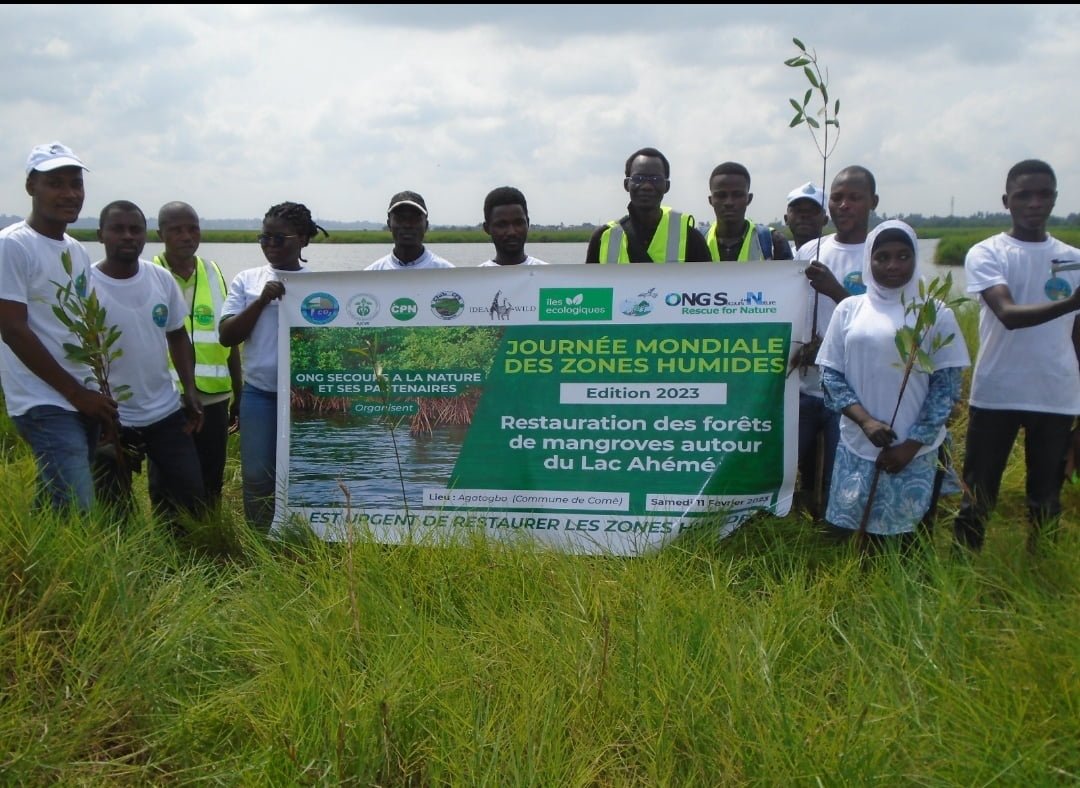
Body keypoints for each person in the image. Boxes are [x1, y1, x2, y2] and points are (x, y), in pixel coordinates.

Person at [817, 220, 970, 551]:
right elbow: (830, 375)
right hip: (858, 444)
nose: (892, 266)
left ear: (916, 259)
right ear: (868, 261)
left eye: (903, 256)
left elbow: (946, 389)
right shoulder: (849, 309)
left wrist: (910, 446)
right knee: (859, 540)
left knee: (911, 543)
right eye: (882, 257)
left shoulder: (934, 313)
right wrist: (866, 421)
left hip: (917, 452)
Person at [952, 159, 1080, 553]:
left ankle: (1040, 568)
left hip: (1055, 395)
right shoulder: (987, 253)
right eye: (1024, 195)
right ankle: (962, 567)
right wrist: (1072, 302)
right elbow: (1006, 314)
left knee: (1046, 499)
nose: (1034, 203)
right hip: (997, 393)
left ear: (1055, 199)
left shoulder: (1074, 258)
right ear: (1007, 200)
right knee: (978, 495)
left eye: (1044, 194)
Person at [0, 141, 119, 513]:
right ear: (30, 187)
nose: (69, 194)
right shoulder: (12, 246)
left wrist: (98, 396)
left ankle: (30, 567)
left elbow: (85, 329)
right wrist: (76, 394)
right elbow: (12, 329)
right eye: (56, 183)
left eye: (76, 183)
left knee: (54, 503)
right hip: (43, 399)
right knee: (76, 506)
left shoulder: (76, 250)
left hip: (80, 396)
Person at [90, 200, 207, 532]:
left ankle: (185, 560)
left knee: (189, 495)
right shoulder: (85, 285)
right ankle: (128, 567)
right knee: (114, 508)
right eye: (118, 229)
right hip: (111, 415)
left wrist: (191, 391)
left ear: (145, 236)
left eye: (135, 229)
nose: (128, 236)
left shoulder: (160, 279)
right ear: (101, 235)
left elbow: (178, 335)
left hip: (164, 410)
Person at [220, 202, 328, 531]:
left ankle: (305, 537)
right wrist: (262, 300)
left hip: (304, 396)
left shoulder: (321, 285)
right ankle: (260, 541)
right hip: (260, 394)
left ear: (304, 240)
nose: (270, 246)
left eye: (280, 238)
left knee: (305, 471)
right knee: (256, 474)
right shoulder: (248, 280)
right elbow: (227, 336)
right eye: (264, 238)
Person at [792, 165, 880, 520]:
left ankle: (838, 536)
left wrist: (836, 291)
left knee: (840, 476)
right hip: (803, 386)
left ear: (873, 202)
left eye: (854, 198)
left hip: (851, 392)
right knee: (793, 469)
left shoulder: (881, 253)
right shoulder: (810, 250)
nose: (844, 205)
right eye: (837, 198)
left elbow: (882, 322)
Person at [150, 201, 242, 509]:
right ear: (160, 233)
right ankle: (168, 542)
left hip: (214, 397)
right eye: (176, 230)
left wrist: (238, 395)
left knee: (211, 476)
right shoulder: (148, 275)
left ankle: (210, 534)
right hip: (167, 398)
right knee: (167, 479)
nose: (186, 236)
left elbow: (227, 338)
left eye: (193, 228)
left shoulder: (213, 272)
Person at [585, 147, 710, 264]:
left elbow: (708, 285)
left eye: (655, 179)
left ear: (667, 186)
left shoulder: (691, 238)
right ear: (626, 184)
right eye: (639, 178)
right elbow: (589, 286)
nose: (646, 186)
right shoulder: (603, 237)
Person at [704, 162, 794, 261]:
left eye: (737, 195)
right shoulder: (696, 241)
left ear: (749, 198)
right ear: (710, 200)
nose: (729, 202)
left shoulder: (773, 242)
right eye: (721, 195)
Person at [365, 191, 454, 270]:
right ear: (389, 224)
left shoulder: (448, 274)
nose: (407, 225)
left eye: (415, 219)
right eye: (400, 218)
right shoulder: (370, 276)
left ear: (426, 225)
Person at [478, 186, 549, 266]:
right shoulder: (475, 276)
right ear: (487, 228)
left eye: (518, 223)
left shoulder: (549, 274)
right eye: (502, 225)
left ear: (528, 223)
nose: (511, 232)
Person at [784, 181, 829, 255]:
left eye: (813, 211)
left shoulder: (835, 257)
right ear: (786, 219)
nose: (804, 215)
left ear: (825, 220)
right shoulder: (779, 259)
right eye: (797, 210)